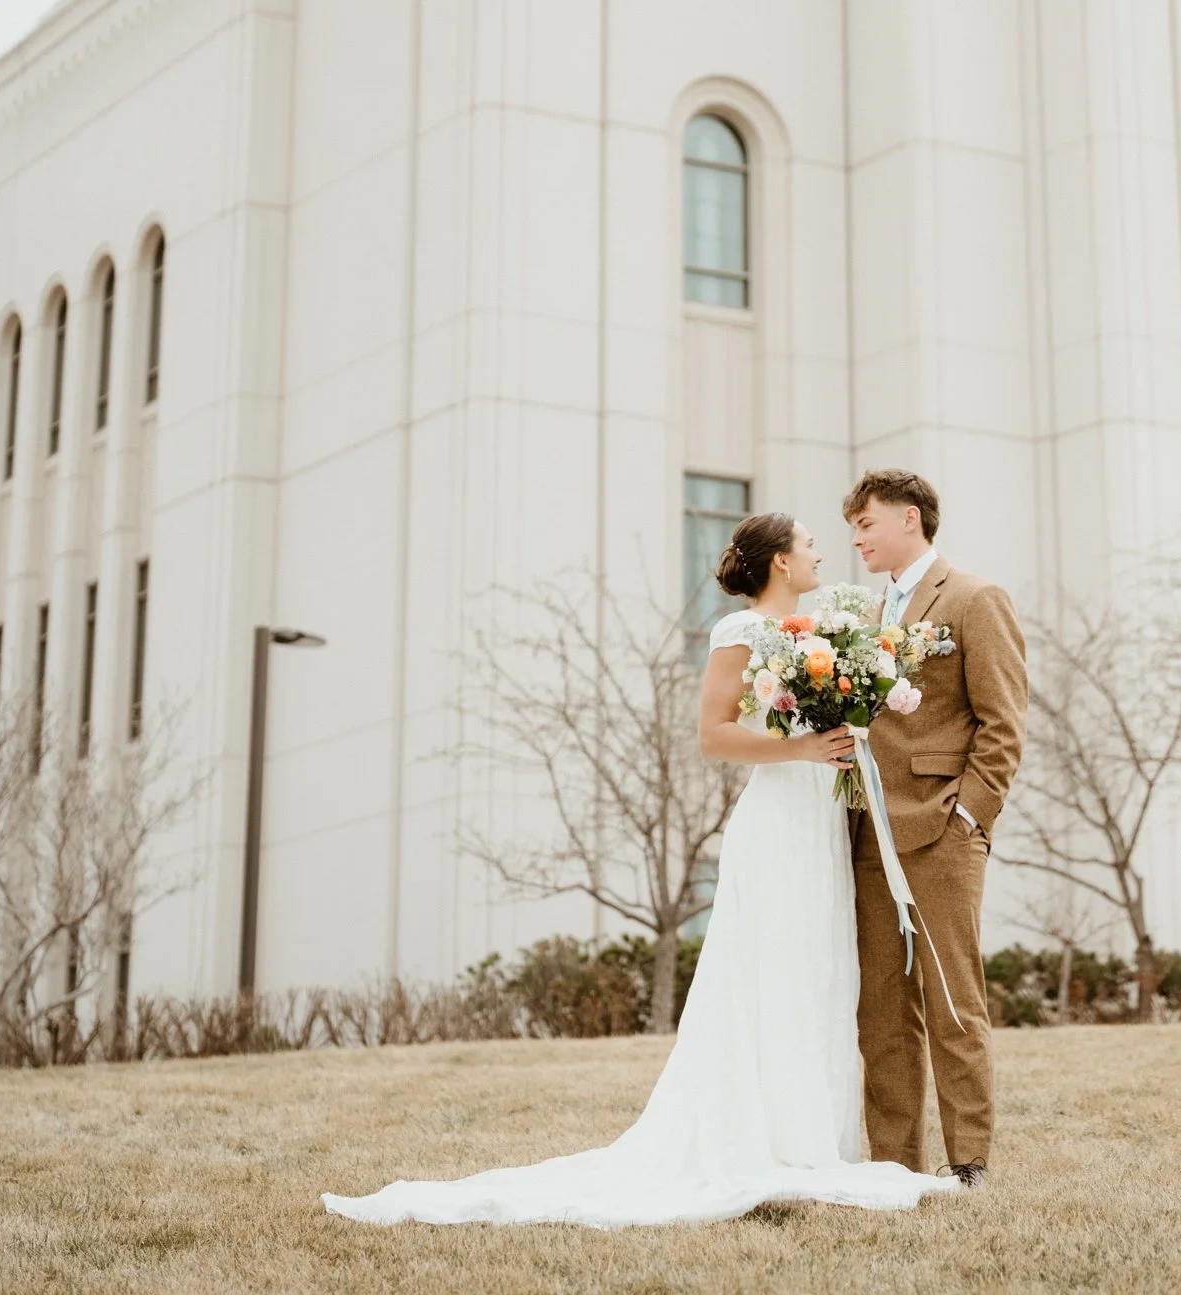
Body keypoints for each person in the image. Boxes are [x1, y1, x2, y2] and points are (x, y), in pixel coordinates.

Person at [322, 510, 957, 1229]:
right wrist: (802, 752)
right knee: (771, 968)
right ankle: (764, 1140)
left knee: (818, 970)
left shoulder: (823, 632)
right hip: (778, 816)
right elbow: (714, 736)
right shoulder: (740, 633)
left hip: (821, 820)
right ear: (780, 561)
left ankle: (812, 1140)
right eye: (809, 544)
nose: (820, 553)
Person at [845, 467, 1027, 1188]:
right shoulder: (859, 614)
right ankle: (894, 1167)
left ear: (910, 518)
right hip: (864, 834)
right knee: (881, 1014)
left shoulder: (975, 599)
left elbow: (1003, 723)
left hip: (941, 830)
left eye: (866, 522)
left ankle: (969, 1163)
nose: (855, 536)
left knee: (953, 1002)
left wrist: (969, 816)